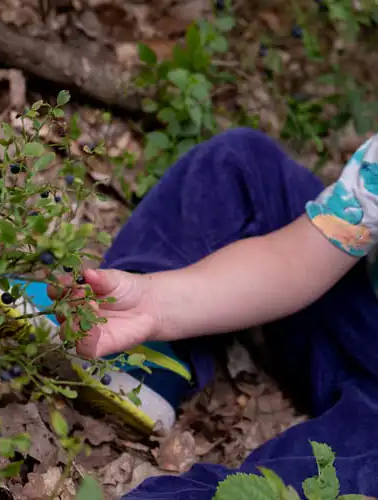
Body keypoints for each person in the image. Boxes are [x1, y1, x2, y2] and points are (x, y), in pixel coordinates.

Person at [44, 128, 378, 498]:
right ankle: (146, 352)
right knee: (240, 165)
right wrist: (156, 303)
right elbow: (298, 257)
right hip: (354, 315)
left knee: (330, 481)